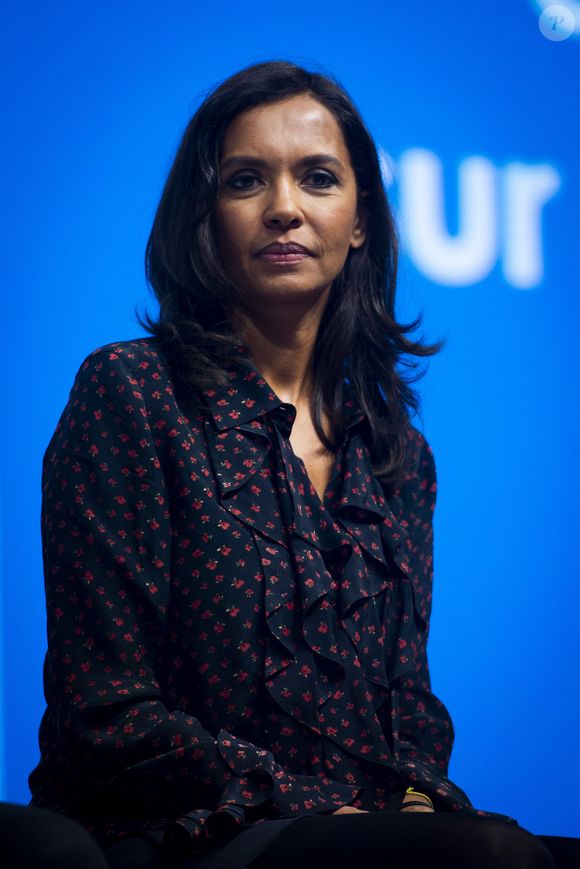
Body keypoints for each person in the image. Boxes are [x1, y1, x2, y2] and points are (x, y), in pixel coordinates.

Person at [28, 61, 579, 869]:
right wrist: (329, 806)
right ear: (205, 217)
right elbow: (105, 715)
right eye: (246, 180)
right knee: (489, 859)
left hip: (356, 831)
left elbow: (410, 713)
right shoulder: (131, 394)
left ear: (360, 220)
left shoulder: (399, 459)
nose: (284, 207)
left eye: (318, 178)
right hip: (181, 832)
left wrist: (415, 800)